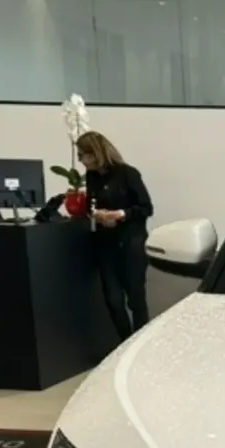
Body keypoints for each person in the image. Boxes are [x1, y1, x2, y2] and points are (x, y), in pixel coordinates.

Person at [78, 131, 154, 340]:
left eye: (82, 155)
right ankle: (124, 342)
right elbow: (91, 205)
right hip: (106, 243)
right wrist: (96, 214)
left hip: (130, 242)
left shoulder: (128, 173)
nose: (81, 160)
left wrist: (121, 214)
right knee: (113, 300)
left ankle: (140, 342)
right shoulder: (92, 177)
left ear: (95, 153)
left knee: (135, 299)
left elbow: (146, 208)